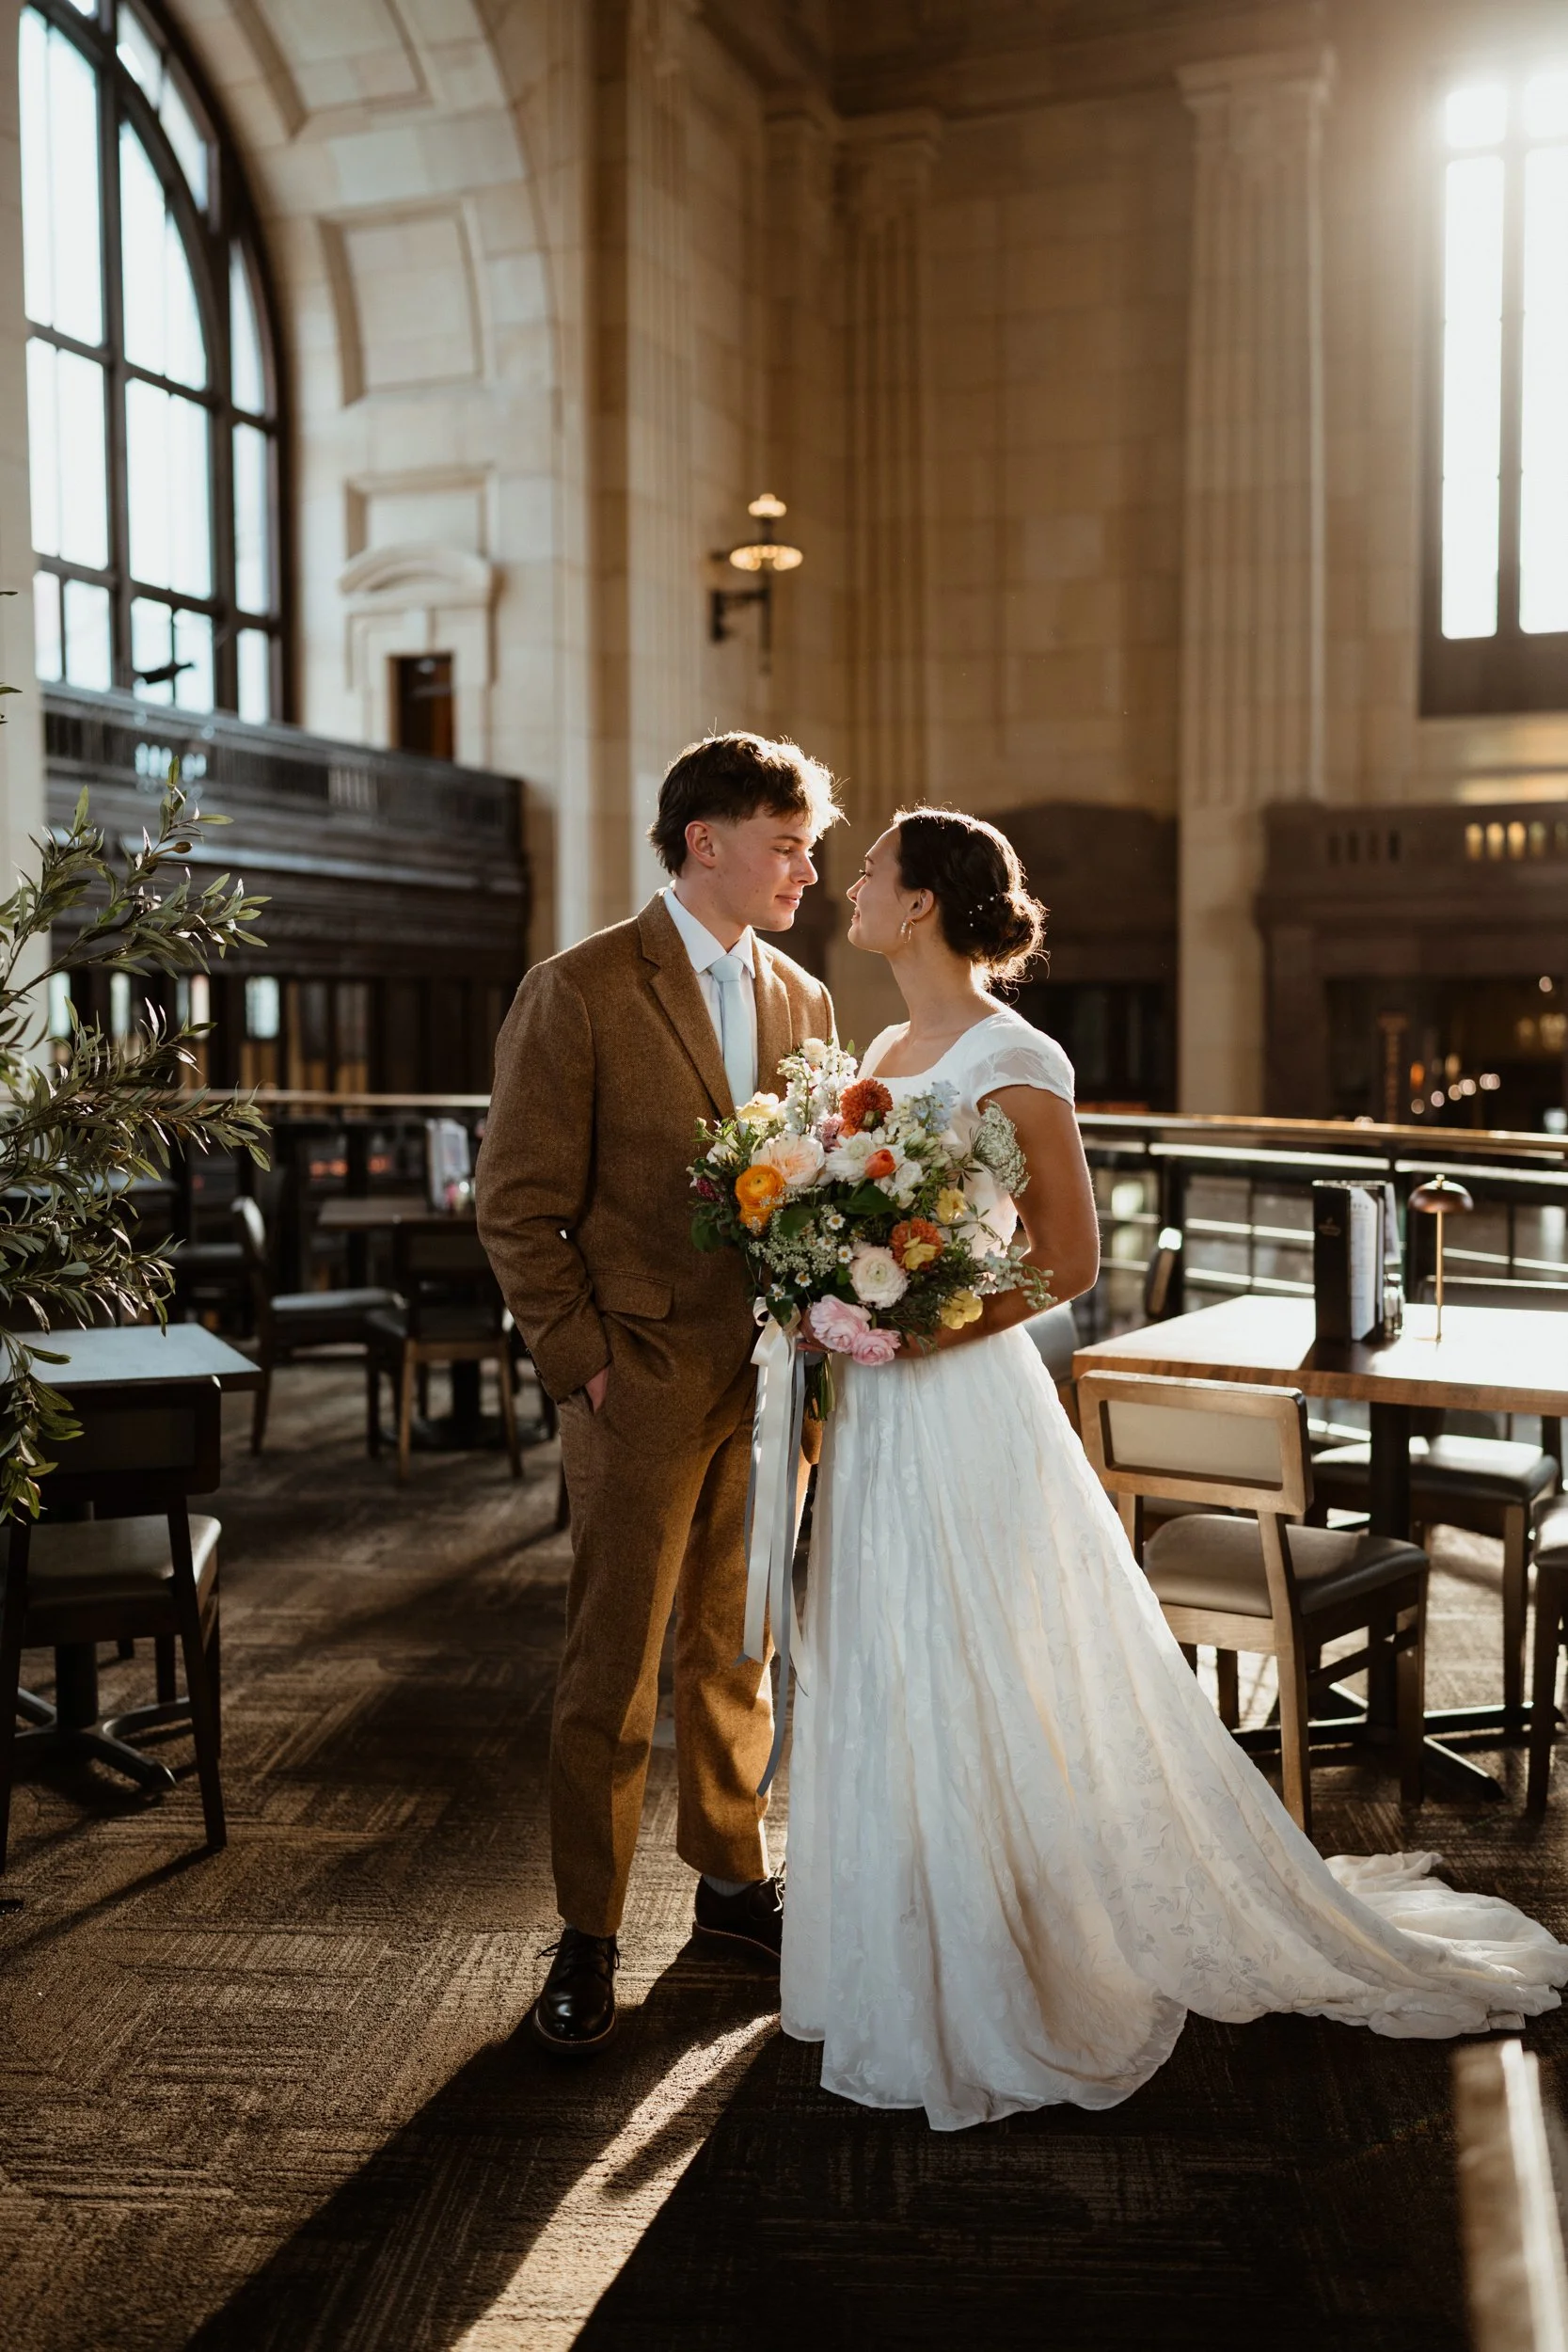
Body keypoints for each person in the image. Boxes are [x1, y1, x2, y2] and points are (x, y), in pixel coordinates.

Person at [781, 804, 1568, 2132]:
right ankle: (915, 1931)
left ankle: (1021, 1948)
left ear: (919, 904)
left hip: (957, 1394)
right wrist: (839, 1304)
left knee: (991, 1649)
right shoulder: (877, 1047)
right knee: (891, 1645)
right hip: (874, 1404)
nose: (850, 884)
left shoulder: (1012, 1052)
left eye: (869, 871)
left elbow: (1069, 1261)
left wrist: (912, 1330)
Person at [477, 732, 839, 2056]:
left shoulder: (803, 996)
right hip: (631, 1385)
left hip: (769, 1380)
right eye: (787, 843)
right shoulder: (575, 990)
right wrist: (582, 1365)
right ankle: (585, 1930)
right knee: (611, 1669)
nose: (807, 867)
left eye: (808, 845)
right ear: (705, 841)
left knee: (736, 1651)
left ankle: (734, 1886)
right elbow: (515, 1207)